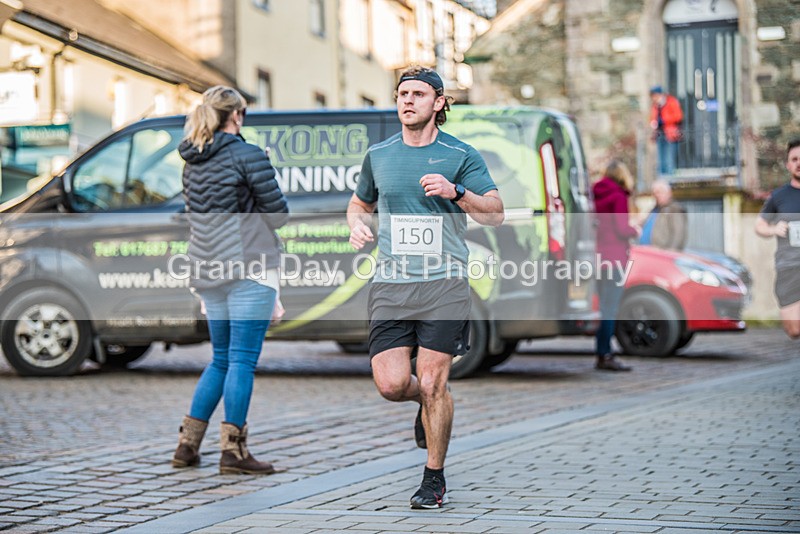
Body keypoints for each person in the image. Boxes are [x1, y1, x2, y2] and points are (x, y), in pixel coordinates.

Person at [347, 66, 504, 509]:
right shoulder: (379, 154)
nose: (407, 101)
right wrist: (358, 226)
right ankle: (427, 405)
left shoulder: (460, 153)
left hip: (444, 282)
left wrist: (456, 192)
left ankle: (433, 478)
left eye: (418, 94)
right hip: (392, 284)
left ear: (439, 103)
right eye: (401, 94)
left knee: (435, 381)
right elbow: (360, 202)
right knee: (393, 384)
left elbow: (494, 212)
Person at [172, 86, 290, 474]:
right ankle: (234, 453)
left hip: (207, 268)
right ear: (236, 116)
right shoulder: (248, 154)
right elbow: (277, 214)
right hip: (248, 266)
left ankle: (187, 446)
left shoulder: (192, 159)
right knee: (241, 359)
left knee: (220, 358)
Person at [592, 160, 640, 371]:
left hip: (598, 258)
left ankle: (602, 352)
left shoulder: (595, 195)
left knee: (603, 308)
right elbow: (621, 228)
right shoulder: (619, 197)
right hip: (615, 260)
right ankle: (605, 354)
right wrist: (634, 229)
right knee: (610, 309)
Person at [755, 139, 800, 339]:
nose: (799, 163)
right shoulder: (779, 196)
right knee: (793, 329)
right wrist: (774, 229)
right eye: (794, 159)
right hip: (788, 266)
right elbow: (759, 225)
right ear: (788, 164)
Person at [639, 179, 688, 251]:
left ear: (669, 193)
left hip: (661, 254)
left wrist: (671, 253)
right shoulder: (654, 209)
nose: (656, 195)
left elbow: (678, 235)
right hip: (646, 252)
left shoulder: (674, 209)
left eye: (659, 192)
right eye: (654, 193)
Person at [649, 86, 683, 176]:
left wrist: (664, 120)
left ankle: (670, 175)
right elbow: (652, 117)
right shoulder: (655, 106)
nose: (654, 98)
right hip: (659, 134)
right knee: (661, 157)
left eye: (655, 95)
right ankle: (662, 176)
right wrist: (653, 123)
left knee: (669, 156)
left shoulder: (671, 102)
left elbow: (678, 116)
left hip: (670, 133)